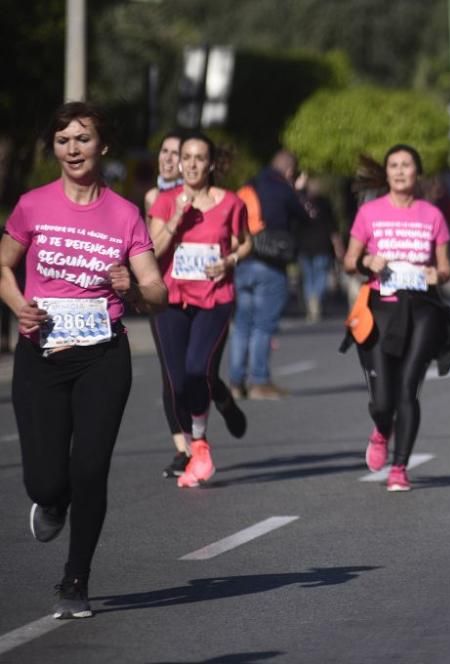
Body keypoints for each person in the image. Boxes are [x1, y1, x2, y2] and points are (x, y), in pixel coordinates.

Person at [0, 102, 167, 618]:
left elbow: (157, 290)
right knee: (47, 480)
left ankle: (76, 581)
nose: (73, 149)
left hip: (103, 357)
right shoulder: (32, 205)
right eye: (63, 140)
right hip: (41, 355)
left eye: (83, 139)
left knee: (91, 470)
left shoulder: (124, 214)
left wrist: (134, 285)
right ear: (55, 148)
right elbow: (3, 265)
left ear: (103, 147)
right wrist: (16, 305)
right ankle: (51, 502)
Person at [344, 145, 450, 492]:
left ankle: (400, 467)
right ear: (387, 172)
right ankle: (381, 429)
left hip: (421, 310)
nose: (400, 171)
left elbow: (446, 267)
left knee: (408, 388)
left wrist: (438, 274)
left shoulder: (432, 215)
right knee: (382, 400)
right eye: (394, 165)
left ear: (416, 173)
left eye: (407, 165)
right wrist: (366, 264)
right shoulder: (369, 213)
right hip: (379, 308)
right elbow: (349, 261)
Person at [148, 132, 252, 487]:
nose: (191, 164)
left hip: (214, 300)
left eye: (199, 158)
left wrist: (230, 261)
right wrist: (176, 217)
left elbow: (245, 242)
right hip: (172, 301)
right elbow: (151, 251)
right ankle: (194, 444)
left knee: (197, 370)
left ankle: (201, 442)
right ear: (179, 163)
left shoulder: (231, 203)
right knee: (176, 384)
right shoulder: (164, 202)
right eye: (186, 157)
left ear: (210, 164)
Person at [229, 150, 311, 400]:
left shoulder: (249, 186)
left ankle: (235, 382)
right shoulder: (283, 189)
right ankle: (260, 382)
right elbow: (305, 216)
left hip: (243, 261)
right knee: (263, 325)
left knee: (242, 324)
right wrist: (299, 189)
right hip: (270, 265)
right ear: (289, 171)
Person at [295, 172, 343, 323]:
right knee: (318, 276)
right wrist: (337, 245)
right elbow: (333, 227)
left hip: (308, 246)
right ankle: (315, 300)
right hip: (317, 246)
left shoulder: (299, 202)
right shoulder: (322, 202)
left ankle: (312, 301)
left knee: (311, 277)